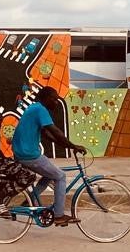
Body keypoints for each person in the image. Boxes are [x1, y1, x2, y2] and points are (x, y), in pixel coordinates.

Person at [10, 86, 87, 226]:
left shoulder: (34, 108)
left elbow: (47, 134)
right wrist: (73, 146)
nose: (56, 103)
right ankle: (58, 215)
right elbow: (55, 131)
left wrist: (65, 145)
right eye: (55, 99)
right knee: (61, 176)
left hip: (22, 152)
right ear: (46, 98)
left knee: (50, 174)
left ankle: (29, 201)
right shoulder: (40, 109)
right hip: (29, 154)